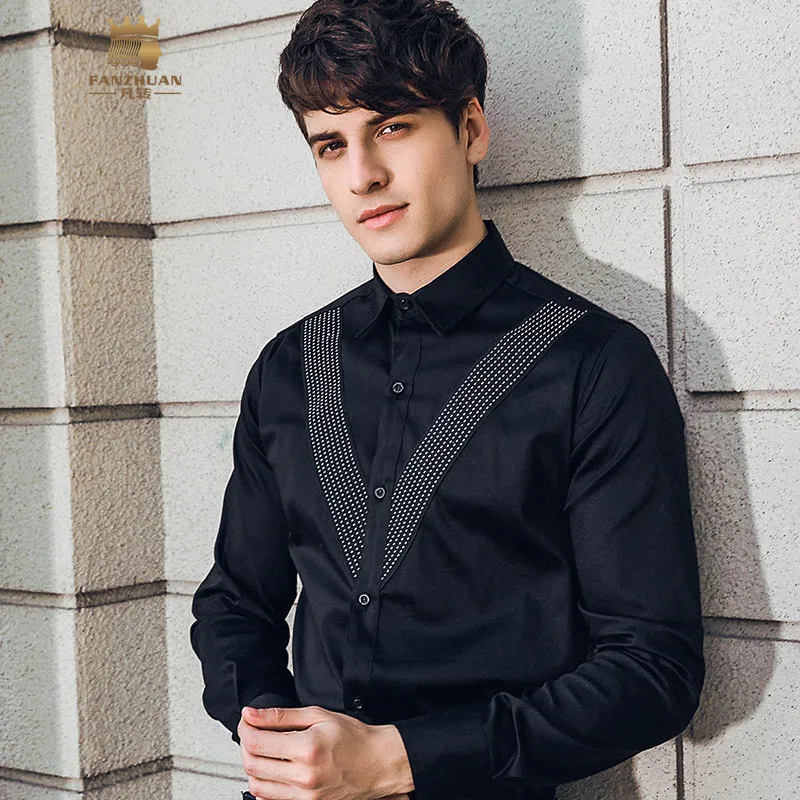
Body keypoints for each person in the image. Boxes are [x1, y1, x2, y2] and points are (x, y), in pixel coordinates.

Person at [189, 1, 706, 799]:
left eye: (392, 127)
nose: (362, 175)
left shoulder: (593, 363)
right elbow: (234, 603)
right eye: (331, 144)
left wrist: (397, 758)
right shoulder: (287, 367)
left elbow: (654, 669)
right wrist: (274, 733)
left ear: (471, 129)